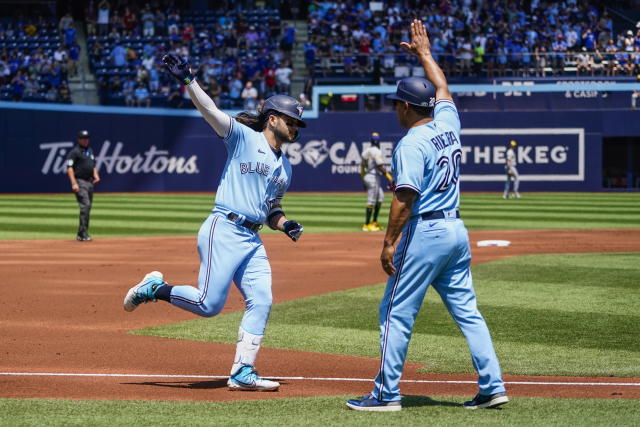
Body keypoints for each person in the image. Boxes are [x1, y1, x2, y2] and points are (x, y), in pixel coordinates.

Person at [346, 19, 508, 412]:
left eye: (395, 104)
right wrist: (424, 54)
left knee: (395, 312)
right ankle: (493, 386)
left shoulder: (410, 143)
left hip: (426, 232)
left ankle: (385, 395)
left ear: (405, 106)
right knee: (468, 313)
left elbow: (404, 198)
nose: (394, 110)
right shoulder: (448, 124)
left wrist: (388, 242)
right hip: (456, 230)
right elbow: (443, 88)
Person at [123, 53, 306, 392]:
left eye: (297, 124)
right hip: (224, 229)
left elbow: (271, 208)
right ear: (271, 119)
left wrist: (284, 224)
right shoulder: (241, 138)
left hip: (252, 239)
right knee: (209, 304)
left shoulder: (286, 168)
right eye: (290, 121)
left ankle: (242, 372)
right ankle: (154, 289)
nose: (295, 127)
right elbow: (210, 111)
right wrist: (188, 80)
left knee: (262, 300)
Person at [66, 130, 101, 241]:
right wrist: (74, 183)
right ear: (79, 139)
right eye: (83, 138)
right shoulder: (74, 152)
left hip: (90, 182)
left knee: (88, 207)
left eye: (87, 138)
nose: (86, 140)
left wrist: (96, 175)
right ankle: (82, 233)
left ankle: (83, 233)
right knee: (85, 205)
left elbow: (93, 164)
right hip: (80, 181)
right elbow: (69, 168)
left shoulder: (90, 150)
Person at [360, 132, 393, 232]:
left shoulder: (365, 152)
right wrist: (389, 177)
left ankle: (374, 221)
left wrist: (363, 179)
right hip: (373, 177)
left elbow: (362, 167)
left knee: (380, 197)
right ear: (378, 141)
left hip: (368, 176)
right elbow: (380, 166)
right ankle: (366, 225)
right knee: (371, 200)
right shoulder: (377, 151)